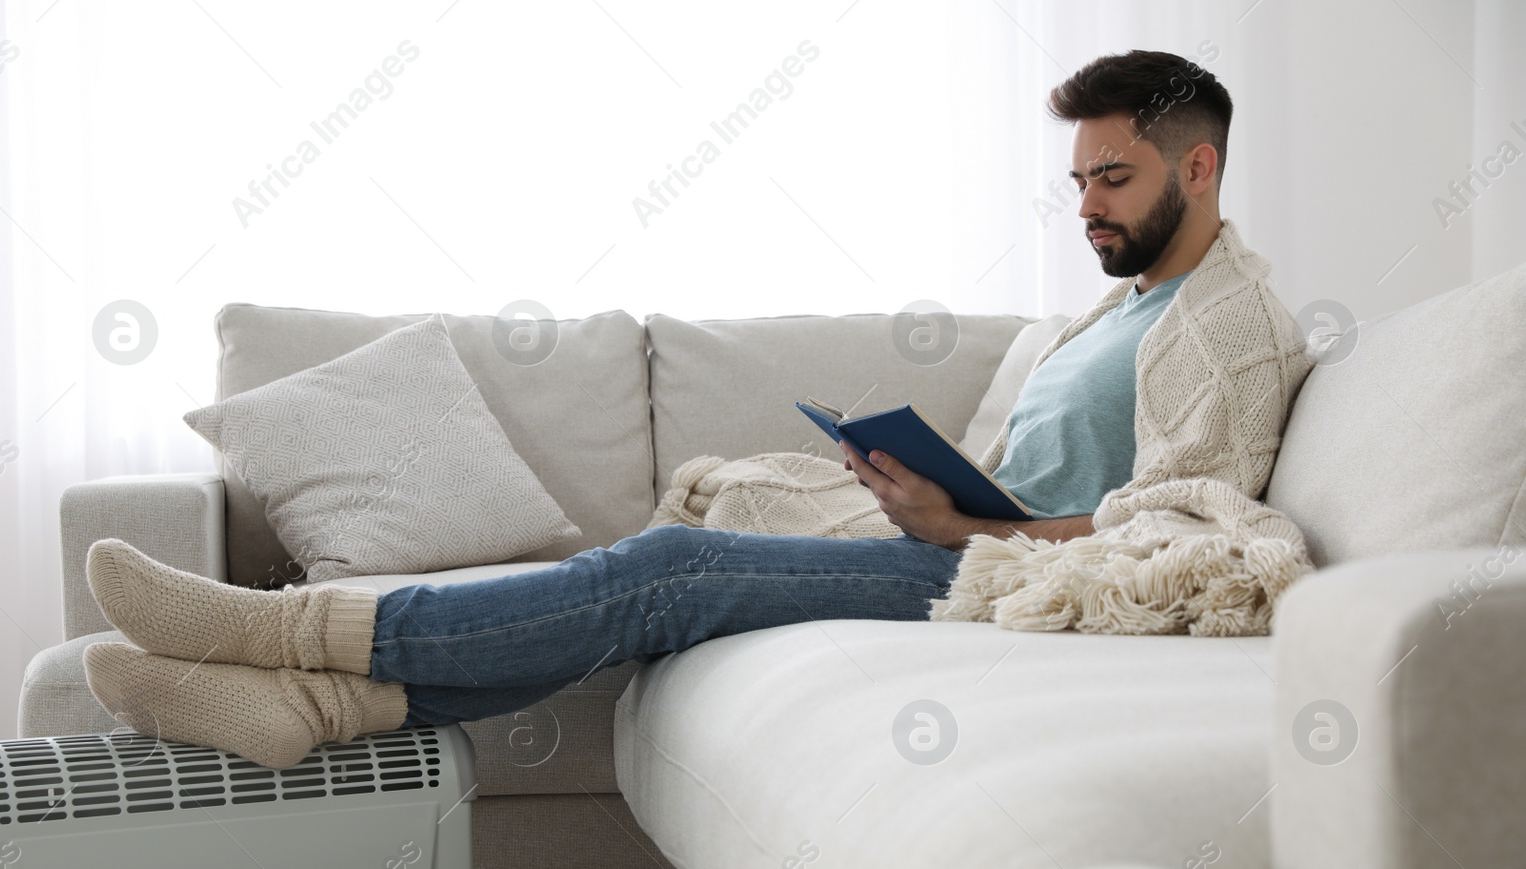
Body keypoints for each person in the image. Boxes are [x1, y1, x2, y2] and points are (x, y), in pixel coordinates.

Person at [82, 50, 1286, 769]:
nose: (1085, 204)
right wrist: (931, 496)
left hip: (995, 584)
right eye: (1076, 180)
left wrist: (965, 535)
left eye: (1111, 177)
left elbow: (1183, 539)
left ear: (1197, 167)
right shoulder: (1110, 312)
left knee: (673, 567)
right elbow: (1034, 477)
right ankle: (316, 702)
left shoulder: (1229, 326)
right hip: (964, 549)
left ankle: (288, 637)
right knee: (665, 572)